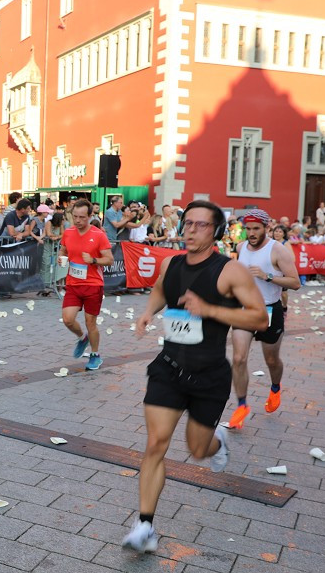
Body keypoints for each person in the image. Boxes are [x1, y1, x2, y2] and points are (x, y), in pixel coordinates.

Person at [124, 200, 267, 553]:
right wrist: (147, 313)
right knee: (156, 444)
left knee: (197, 450)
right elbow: (161, 289)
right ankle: (145, 525)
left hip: (209, 377)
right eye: (187, 223)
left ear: (216, 231)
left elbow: (260, 319)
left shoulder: (230, 271)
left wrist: (209, 310)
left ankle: (217, 441)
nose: (190, 230)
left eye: (201, 225)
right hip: (169, 368)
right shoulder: (170, 262)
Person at [226, 209, 301, 429]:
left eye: (256, 229)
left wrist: (267, 276)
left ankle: (275, 387)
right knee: (239, 359)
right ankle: (241, 405)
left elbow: (295, 283)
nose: (251, 233)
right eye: (248, 229)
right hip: (245, 309)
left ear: (266, 228)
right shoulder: (240, 247)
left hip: (270, 310)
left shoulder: (278, 251)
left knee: (271, 360)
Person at [59, 200, 113, 369]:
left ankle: (95, 355)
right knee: (68, 319)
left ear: (90, 216)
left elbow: (110, 259)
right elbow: (63, 250)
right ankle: (83, 338)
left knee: (91, 323)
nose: (78, 220)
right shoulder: (68, 233)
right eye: (75, 216)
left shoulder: (98, 235)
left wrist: (94, 260)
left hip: (93, 285)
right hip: (73, 284)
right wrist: (61, 257)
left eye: (82, 217)